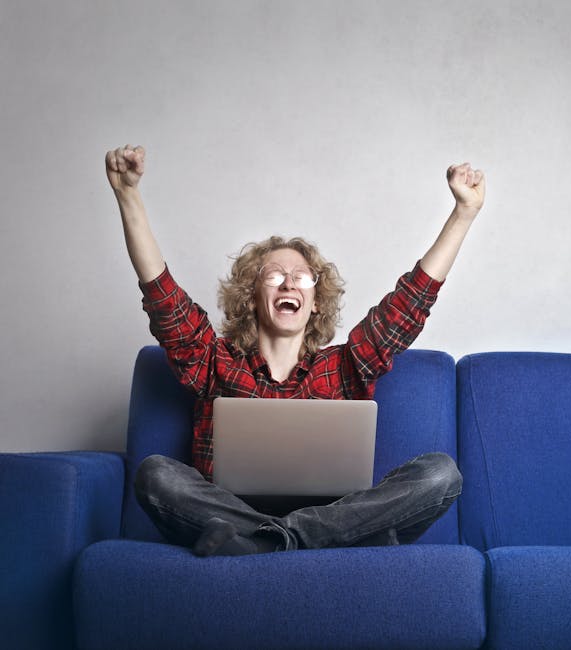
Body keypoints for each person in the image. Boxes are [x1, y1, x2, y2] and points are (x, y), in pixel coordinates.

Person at [106, 144, 486, 556]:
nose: (289, 284)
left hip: (331, 513)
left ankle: (267, 543)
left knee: (440, 474)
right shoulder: (214, 361)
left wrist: (463, 214)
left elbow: (409, 303)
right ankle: (307, 541)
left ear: (316, 300)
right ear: (252, 296)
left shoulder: (344, 367)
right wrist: (128, 196)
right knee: (156, 474)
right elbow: (164, 300)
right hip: (230, 511)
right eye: (275, 275)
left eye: (302, 278)